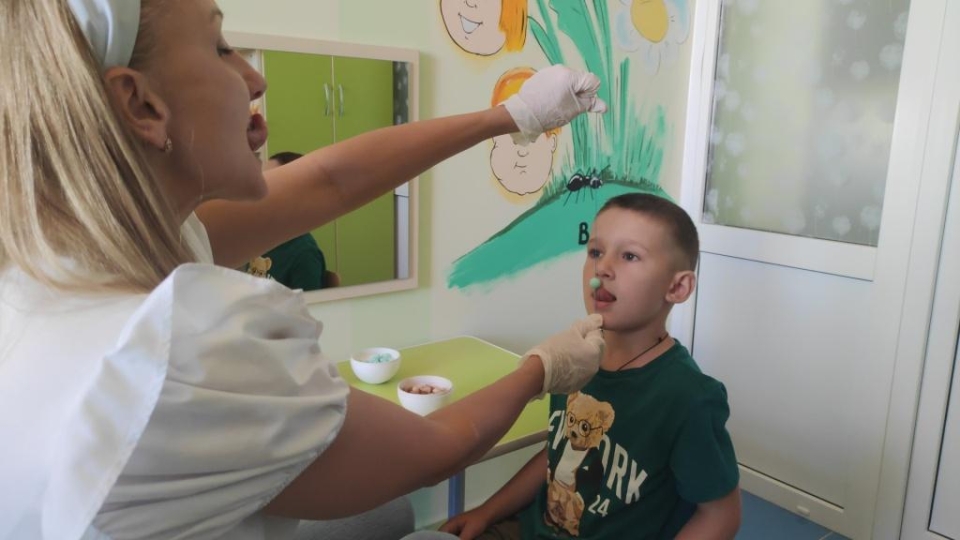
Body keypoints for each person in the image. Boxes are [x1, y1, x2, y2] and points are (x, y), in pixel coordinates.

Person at [0, 1, 610, 539]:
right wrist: (543, 367)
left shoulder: (67, 253)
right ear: (140, 104)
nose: (255, 78)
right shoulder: (176, 351)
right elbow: (434, 451)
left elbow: (328, 181)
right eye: (219, 47)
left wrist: (512, 116)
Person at [440, 193, 742, 539]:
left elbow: (721, 516)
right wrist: (486, 511)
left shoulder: (690, 397)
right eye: (596, 252)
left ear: (677, 287)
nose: (602, 269)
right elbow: (556, 453)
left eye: (629, 256)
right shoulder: (574, 361)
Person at [244, 152, 329, 291]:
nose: (261, 191)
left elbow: (306, 303)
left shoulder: (305, 254)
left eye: (270, 183)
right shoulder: (261, 240)